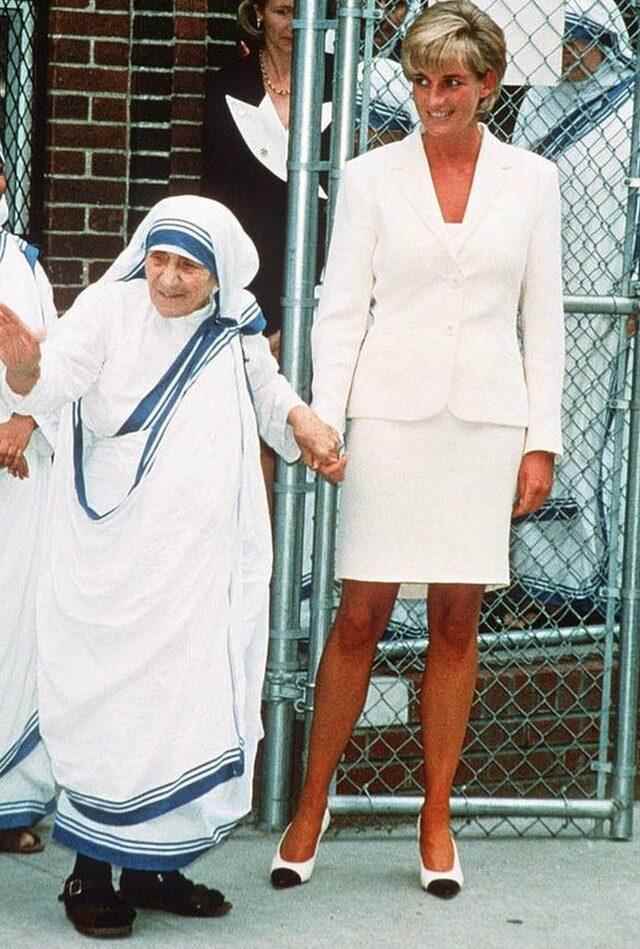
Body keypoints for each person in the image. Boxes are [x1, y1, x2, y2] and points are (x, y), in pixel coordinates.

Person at [270, 0, 564, 897]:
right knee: (358, 616)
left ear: (488, 84)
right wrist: (325, 415)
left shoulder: (533, 181)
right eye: (420, 81)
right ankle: (309, 805)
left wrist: (539, 441)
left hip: (483, 425)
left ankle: (436, 819)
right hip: (388, 422)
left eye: (452, 82)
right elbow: (338, 305)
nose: (433, 98)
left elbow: (540, 320)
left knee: (455, 621)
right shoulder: (366, 177)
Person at [0, 195, 342, 938]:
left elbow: (265, 389)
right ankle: (89, 872)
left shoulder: (234, 323)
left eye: (188, 265)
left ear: (219, 273)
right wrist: (25, 372)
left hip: (198, 564)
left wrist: (303, 422)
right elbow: (54, 378)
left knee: (182, 704)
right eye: (159, 259)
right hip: (113, 565)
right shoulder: (107, 310)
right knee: (111, 705)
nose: (169, 278)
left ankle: (153, 868)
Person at [508, 0, 634, 625]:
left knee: (602, 438)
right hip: (541, 302)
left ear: (603, 40)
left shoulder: (631, 109)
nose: (562, 54)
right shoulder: (535, 104)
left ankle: (599, 584)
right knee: (540, 430)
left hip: (611, 304)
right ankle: (539, 582)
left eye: (575, 40)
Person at [202, 0, 334, 512]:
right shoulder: (225, 85)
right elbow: (216, 202)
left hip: (325, 285)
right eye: (283, 11)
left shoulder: (346, 86)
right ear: (257, 13)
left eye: (307, 12)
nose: (295, 26)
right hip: (248, 289)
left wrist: (310, 314)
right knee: (253, 433)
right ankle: (264, 578)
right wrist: (258, 322)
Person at [0, 146, 57, 857]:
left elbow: (53, 352)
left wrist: (26, 417)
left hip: (15, 463)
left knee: (14, 622)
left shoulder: (23, 262)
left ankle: (9, 798)